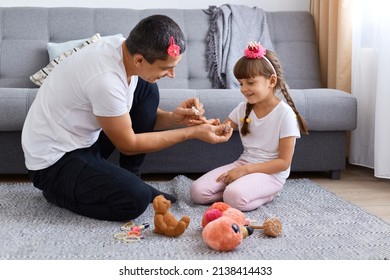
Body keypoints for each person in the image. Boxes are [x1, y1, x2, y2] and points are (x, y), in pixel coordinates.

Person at [21, 15, 232, 221]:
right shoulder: (106, 80)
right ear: (139, 59)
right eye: (166, 68)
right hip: (54, 162)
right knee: (135, 200)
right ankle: (58, 193)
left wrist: (175, 119)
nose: (172, 74)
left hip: (84, 142)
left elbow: (123, 115)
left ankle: (130, 176)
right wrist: (192, 133)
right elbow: (128, 144)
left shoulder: (122, 47)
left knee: (147, 90)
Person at [190, 41, 308, 211]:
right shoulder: (243, 108)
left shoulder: (285, 114)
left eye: (250, 83)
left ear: (271, 81)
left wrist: (245, 171)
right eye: (241, 83)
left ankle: (269, 193)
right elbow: (223, 129)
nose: (244, 89)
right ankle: (238, 191)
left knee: (233, 197)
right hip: (244, 164)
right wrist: (207, 124)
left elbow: (283, 162)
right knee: (197, 192)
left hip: (271, 174)